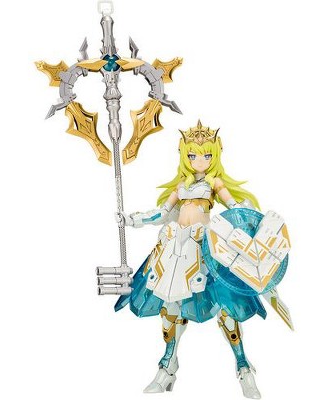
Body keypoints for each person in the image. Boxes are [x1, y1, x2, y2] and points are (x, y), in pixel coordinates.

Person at [115, 120, 273, 399]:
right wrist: (132, 219)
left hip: (205, 247)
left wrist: (248, 219)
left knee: (226, 309)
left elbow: (234, 208)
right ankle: (168, 366)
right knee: (169, 307)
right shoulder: (181, 186)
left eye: (207, 155)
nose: (200, 161)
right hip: (176, 248)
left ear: (215, 156)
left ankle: (243, 367)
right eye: (193, 155)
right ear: (184, 155)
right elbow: (161, 213)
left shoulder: (214, 183)